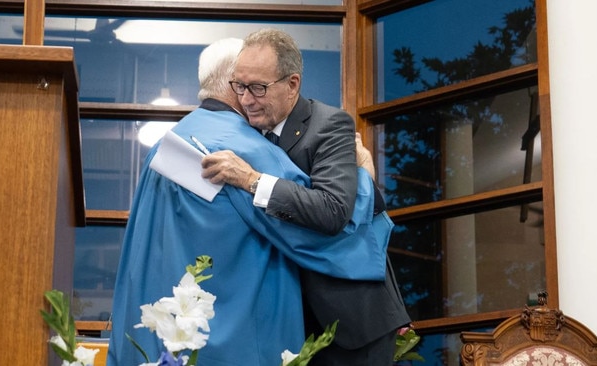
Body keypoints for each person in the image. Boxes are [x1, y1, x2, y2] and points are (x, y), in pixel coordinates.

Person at [107, 38, 392, 366]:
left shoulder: (161, 147)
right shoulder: (245, 150)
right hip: (233, 341)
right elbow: (329, 225)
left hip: (160, 339)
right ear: (235, 82)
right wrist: (365, 182)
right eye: (246, 85)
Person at [201, 28, 411, 366]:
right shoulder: (246, 132)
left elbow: (332, 211)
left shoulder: (329, 125)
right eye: (239, 86)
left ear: (293, 84)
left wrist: (251, 179)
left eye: (258, 88)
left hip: (352, 323)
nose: (246, 99)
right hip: (287, 327)